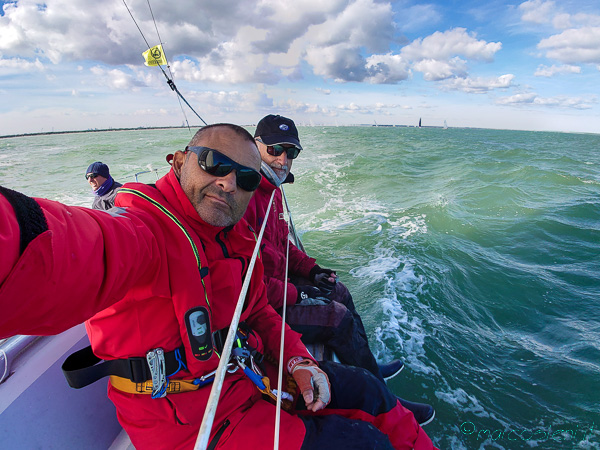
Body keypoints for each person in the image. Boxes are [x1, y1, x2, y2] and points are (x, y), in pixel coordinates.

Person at [0, 124, 435, 449]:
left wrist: (300, 361)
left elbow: (261, 313)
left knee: (366, 389)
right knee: (363, 443)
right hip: (193, 425)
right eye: (214, 163)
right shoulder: (143, 231)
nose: (229, 181)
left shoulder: (233, 236)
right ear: (178, 160)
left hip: (244, 382)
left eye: (246, 177)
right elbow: (55, 246)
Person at [245, 114, 434, 424]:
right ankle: (386, 402)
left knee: (339, 290)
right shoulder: (248, 197)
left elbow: (282, 248)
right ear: (256, 147)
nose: (282, 160)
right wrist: (299, 291)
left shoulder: (274, 191)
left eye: (291, 152)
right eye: (275, 150)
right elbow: (251, 283)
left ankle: (369, 369)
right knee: (338, 319)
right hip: (263, 305)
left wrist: (311, 270)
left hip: (279, 284)